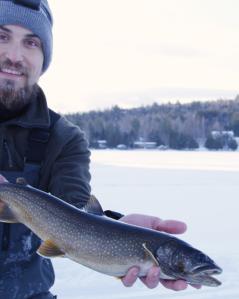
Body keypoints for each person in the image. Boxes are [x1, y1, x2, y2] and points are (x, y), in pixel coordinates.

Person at [0, 1, 201, 298]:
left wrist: (119, 233)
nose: (14, 56)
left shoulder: (63, 138)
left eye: (31, 42)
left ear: (44, 58)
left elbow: (76, 210)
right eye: (2, 37)